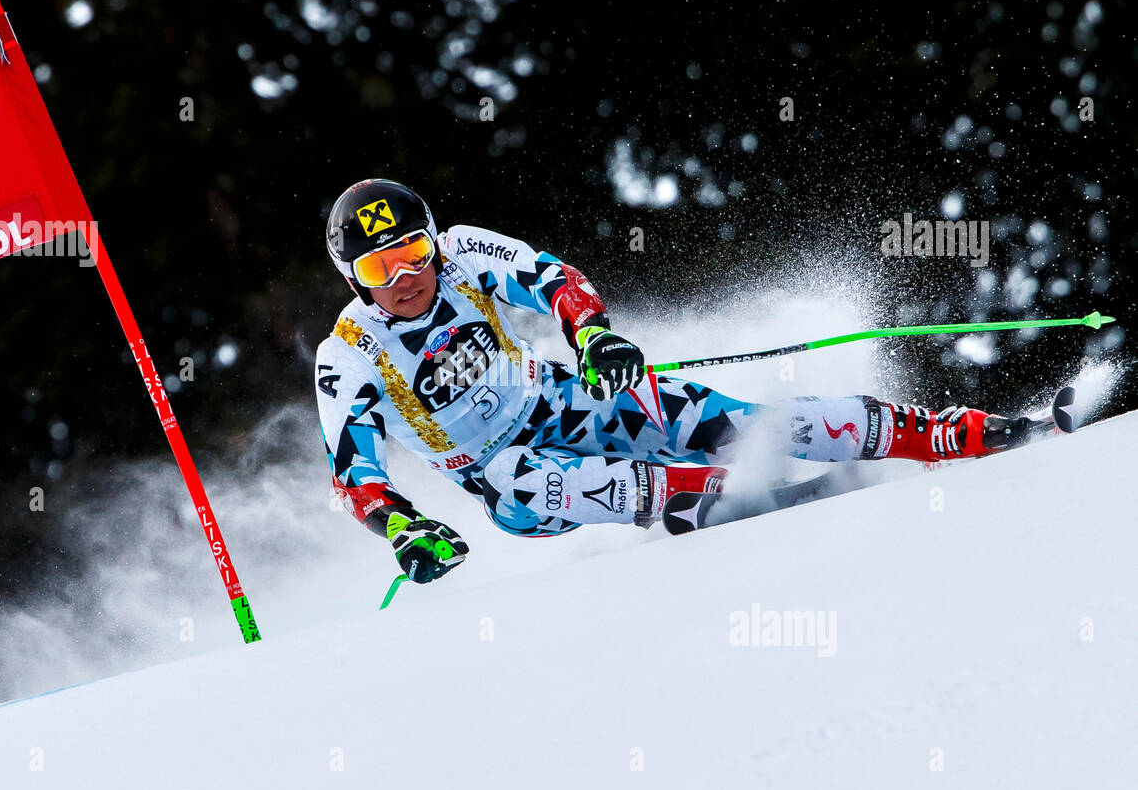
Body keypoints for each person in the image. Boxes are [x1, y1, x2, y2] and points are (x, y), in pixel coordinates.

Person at [315, 179, 1037, 585]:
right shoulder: (347, 354)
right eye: (381, 269)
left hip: (565, 398)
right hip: (505, 474)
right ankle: (705, 495)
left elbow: (548, 279)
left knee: (725, 418)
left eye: (412, 252)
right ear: (354, 277)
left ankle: (944, 432)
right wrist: (403, 528)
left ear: (432, 240)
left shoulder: (463, 250)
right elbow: (354, 474)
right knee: (527, 484)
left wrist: (593, 335)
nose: (407, 277)